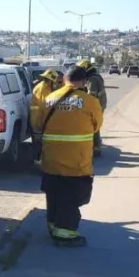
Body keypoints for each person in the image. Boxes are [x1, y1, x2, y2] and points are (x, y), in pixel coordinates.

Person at [33, 66, 103, 247]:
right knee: (71, 199)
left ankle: (53, 225)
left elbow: (38, 123)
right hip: (76, 162)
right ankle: (65, 235)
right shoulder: (90, 101)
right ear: (84, 81)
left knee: (54, 195)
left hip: (51, 160)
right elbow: (96, 127)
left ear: (64, 79)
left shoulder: (49, 99)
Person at [30, 69, 61, 163]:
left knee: (40, 143)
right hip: (39, 120)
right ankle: (39, 162)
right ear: (51, 80)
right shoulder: (43, 88)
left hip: (39, 119)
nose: (56, 84)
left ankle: (40, 161)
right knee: (39, 144)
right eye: (55, 82)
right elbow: (47, 105)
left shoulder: (44, 87)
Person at [76, 60, 107, 156]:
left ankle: (95, 148)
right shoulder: (96, 76)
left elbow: (91, 95)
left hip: (95, 105)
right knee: (94, 125)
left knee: (92, 126)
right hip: (99, 104)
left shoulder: (92, 79)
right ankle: (96, 147)